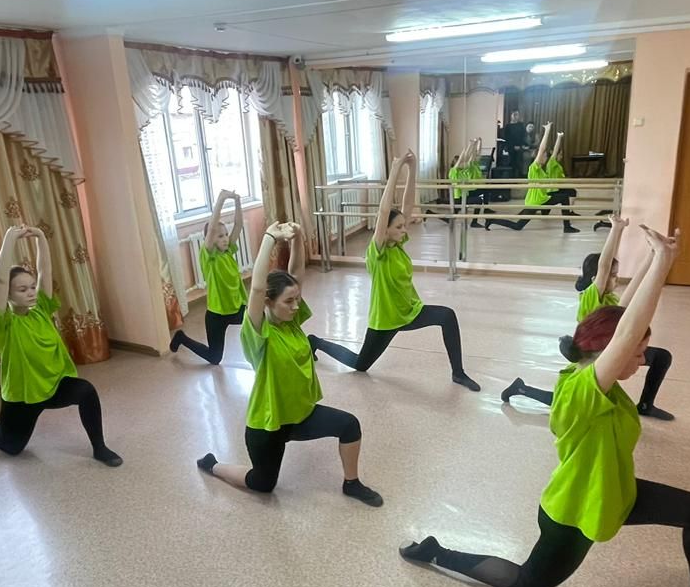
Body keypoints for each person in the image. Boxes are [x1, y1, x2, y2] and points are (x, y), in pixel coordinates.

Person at [400, 227, 690, 587]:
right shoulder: (582, 391)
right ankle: (437, 552)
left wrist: (658, 260)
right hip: (575, 508)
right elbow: (627, 332)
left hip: (615, 490)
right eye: (637, 353)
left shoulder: (594, 372)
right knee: (529, 583)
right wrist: (663, 265)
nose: (642, 361)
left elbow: (624, 318)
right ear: (610, 353)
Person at [196, 221, 383, 507]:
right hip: (268, 425)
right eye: (289, 301)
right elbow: (257, 288)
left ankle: (352, 483)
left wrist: (297, 238)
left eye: (297, 300)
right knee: (263, 484)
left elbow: (296, 273)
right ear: (268, 303)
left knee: (349, 425)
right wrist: (269, 237)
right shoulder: (258, 334)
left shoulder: (291, 322)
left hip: (301, 415)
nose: (296, 306)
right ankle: (213, 465)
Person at [310, 150, 482, 391]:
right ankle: (316, 342)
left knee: (447, 316)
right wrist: (395, 170)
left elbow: (407, 205)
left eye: (404, 226)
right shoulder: (377, 252)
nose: (404, 229)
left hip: (410, 311)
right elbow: (383, 213)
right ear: (386, 230)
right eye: (399, 227)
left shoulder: (398, 245)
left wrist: (412, 168)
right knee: (360, 365)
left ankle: (458, 373)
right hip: (386, 319)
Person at [0, 225, 122, 467]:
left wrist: (40, 237)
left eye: (32, 287)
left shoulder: (41, 310)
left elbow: (45, 270)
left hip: (54, 385)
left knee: (86, 391)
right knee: (12, 447)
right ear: (8, 295)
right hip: (23, 395)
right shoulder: (1, 323)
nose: (31, 293)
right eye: (22, 289)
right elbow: (1, 279)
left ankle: (99, 447)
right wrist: (9, 239)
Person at [502, 217, 676, 420]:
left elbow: (634, 289)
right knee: (570, 399)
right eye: (613, 275)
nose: (616, 279)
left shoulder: (610, 300)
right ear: (596, 279)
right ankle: (522, 389)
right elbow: (604, 266)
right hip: (595, 354)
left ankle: (645, 404)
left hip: (605, 351)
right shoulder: (591, 296)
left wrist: (654, 255)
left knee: (659, 357)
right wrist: (616, 229)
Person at [170, 190, 247, 364]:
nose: (225, 239)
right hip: (217, 315)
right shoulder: (209, 257)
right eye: (220, 236)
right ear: (210, 240)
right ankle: (182, 338)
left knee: (260, 319)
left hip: (236, 308)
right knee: (215, 358)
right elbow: (212, 228)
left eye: (225, 234)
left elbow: (238, 225)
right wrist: (221, 199)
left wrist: (237, 201)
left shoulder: (228, 251)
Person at [489, 124, 579, 233]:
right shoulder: (534, 168)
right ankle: (492, 220)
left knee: (564, 197)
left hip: (540, 199)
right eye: (544, 156)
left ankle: (567, 226)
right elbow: (542, 149)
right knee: (517, 226)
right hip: (537, 201)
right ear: (539, 157)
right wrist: (547, 131)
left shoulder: (541, 170)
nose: (546, 158)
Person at [447, 138, 491, 229]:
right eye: (461, 163)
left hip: (464, 195)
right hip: (458, 199)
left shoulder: (464, 171)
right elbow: (463, 157)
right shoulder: (453, 171)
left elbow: (473, 155)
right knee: (451, 217)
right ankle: (474, 222)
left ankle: (475, 221)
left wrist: (475, 144)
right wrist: (470, 145)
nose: (464, 164)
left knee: (452, 216)